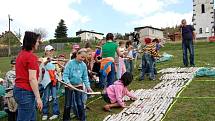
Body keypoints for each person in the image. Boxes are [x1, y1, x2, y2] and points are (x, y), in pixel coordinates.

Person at [13, 31, 43, 121]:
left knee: (31, 117)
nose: (38, 43)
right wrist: (38, 98)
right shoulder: (31, 57)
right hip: (26, 92)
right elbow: (32, 79)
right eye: (37, 41)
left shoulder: (21, 54)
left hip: (19, 90)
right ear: (32, 42)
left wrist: (36, 65)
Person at [62, 49, 93, 121]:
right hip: (69, 86)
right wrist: (69, 84)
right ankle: (66, 119)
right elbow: (65, 76)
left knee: (79, 103)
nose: (82, 59)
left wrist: (88, 87)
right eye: (81, 57)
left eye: (84, 58)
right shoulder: (70, 63)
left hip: (79, 86)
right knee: (68, 104)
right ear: (77, 55)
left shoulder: (83, 65)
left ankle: (82, 118)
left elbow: (85, 77)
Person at [41, 45, 60, 120]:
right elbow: (42, 66)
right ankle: (45, 113)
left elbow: (57, 68)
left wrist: (57, 71)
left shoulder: (54, 59)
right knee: (45, 98)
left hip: (54, 80)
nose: (51, 52)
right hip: (46, 81)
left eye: (52, 50)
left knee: (55, 97)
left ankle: (55, 113)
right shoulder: (43, 59)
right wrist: (47, 60)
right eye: (50, 50)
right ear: (46, 51)